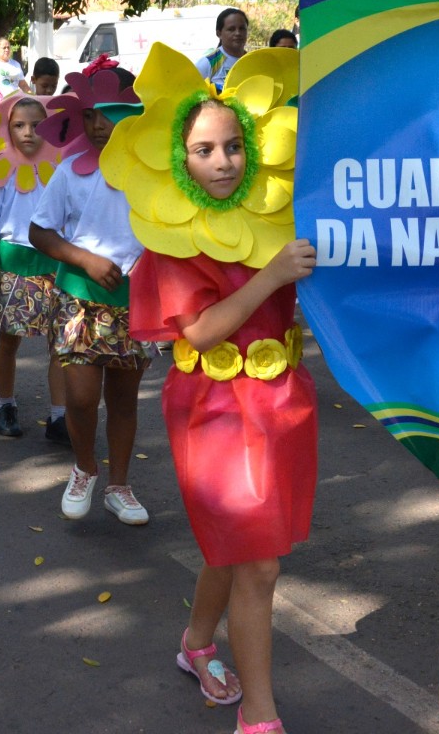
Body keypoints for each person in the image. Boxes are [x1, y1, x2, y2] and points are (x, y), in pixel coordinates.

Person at [101, 43, 309, 734]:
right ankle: (262, 713)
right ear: (177, 159)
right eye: (203, 150)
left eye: (232, 146)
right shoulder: (172, 240)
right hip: (215, 412)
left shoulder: (277, 219)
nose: (222, 161)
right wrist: (275, 275)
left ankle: (195, 645)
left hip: (280, 401)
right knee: (259, 566)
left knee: (237, 549)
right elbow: (201, 333)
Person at [29, 59, 157, 525]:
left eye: (109, 112)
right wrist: (85, 259)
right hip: (79, 297)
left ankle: (119, 486)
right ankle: (84, 466)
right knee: (81, 398)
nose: (98, 124)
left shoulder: (155, 172)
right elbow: (40, 232)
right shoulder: (70, 171)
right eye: (89, 114)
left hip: (136, 299)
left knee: (124, 400)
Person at [0, 94, 68, 440]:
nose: (28, 132)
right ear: (8, 129)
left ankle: (60, 417)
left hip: (54, 269)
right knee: (8, 342)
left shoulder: (61, 170)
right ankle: (5, 403)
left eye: (37, 125)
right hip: (12, 269)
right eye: (19, 125)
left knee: (59, 345)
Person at [195, 8, 248, 89]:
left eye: (242, 28)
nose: (238, 33)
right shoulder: (209, 63)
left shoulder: (253, 61)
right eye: (231, 29)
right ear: (219, 34)